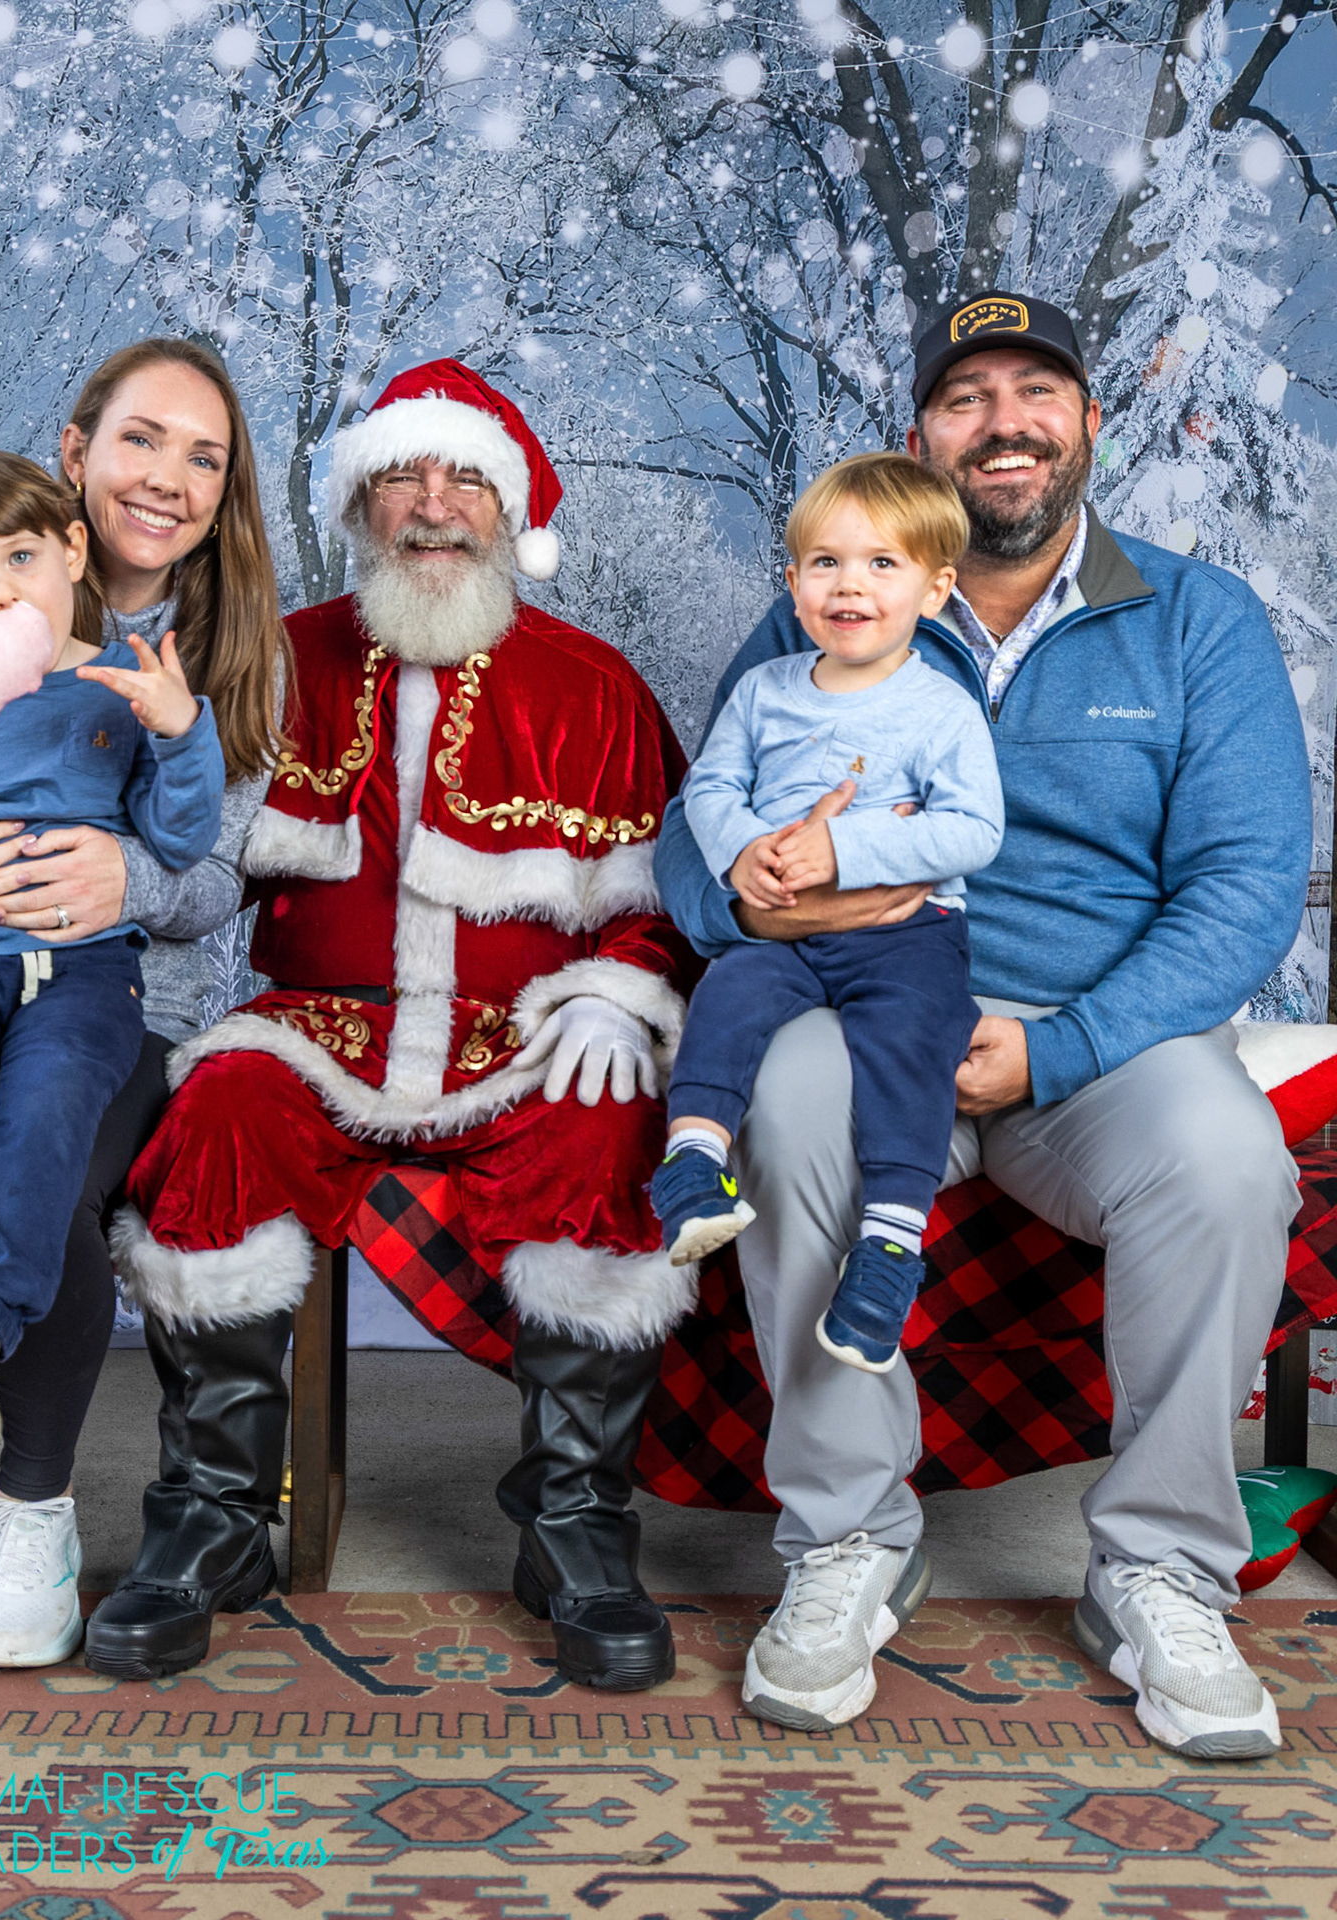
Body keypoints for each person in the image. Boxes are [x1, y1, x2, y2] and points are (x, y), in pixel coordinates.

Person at [654, 293, 1312, 1758]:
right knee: (790, 1107)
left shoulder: (1196, 620)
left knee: (1225, 1162)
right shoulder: (834, 600)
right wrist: (752, 900)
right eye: (967, 398)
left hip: (1102, 1041)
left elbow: (1246, 885)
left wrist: (1060, 1047)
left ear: (1088, 425)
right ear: (922, 437)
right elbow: (696, 837)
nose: (1003, 423)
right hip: (867, 1002)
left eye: (1035, 392)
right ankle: (849, 1538)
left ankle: (1160, 1568)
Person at [89, 359, 695, 1692]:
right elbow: (188, 853)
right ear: (360, 505)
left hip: (525, 1036)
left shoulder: (596, 687)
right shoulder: (275, 660)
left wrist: (616, 993)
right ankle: (214, 1514)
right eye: (401, 477)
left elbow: (670, 904)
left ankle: (575, 1522)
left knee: (608, 1129)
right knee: (218, 1112)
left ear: (511, 509)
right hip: (318, 1030)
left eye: (465, 477)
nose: (432, 504)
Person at [0, 339, 290, 1684]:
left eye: (205, 456)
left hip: (112, 985)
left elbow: (214, 874)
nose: (170, 477)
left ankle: (32, 1511)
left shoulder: (223, 647)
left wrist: (123, 875)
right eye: (142, 439)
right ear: (77, 458)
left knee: (51, 1169)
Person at [652, 453, 1002, 1376]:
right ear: (794, 585)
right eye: (826, 563)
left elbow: (974, 830)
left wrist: (846, 850)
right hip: (783, 926)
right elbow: (710, 788)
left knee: (911, 1042)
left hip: (905, 935)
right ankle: (694, 1161)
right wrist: (743, 853)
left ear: (935, 591)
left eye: (882, 564)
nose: (851, 585)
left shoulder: (940, 709)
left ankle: (889, 1243)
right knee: (727, 995)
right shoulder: (765, 691)